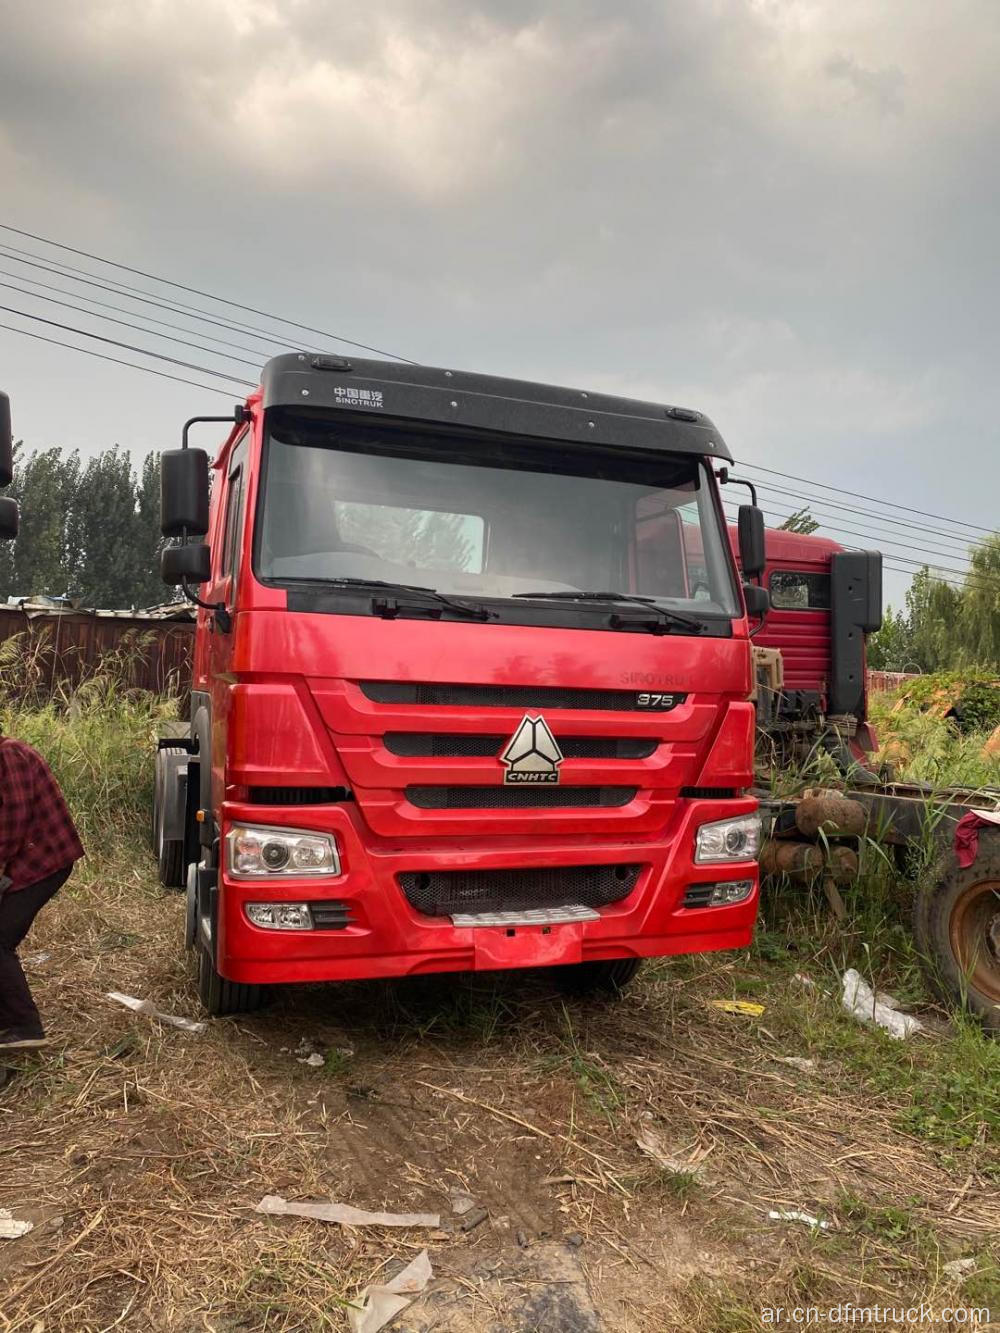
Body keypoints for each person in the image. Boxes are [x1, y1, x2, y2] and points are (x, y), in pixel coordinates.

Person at [0, 733, 84, 1049]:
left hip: (44, 861)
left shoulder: (10, 756)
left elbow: (13, 820)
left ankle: (25, 1027)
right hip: (28, 859)